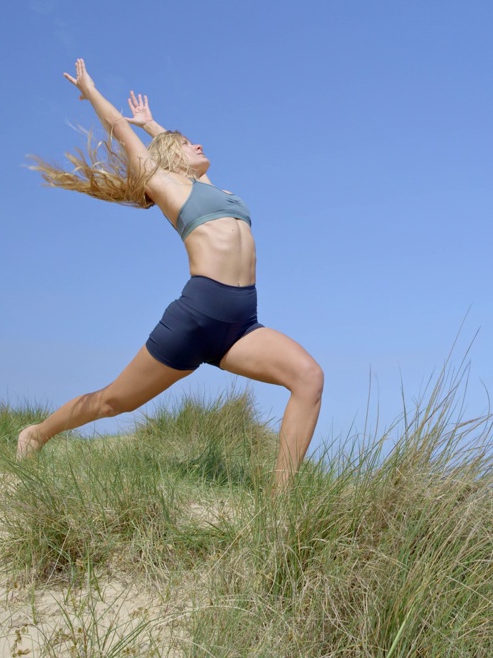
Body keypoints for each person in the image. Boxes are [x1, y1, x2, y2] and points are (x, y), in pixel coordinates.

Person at [18, 59, 322, 489]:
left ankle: (280, 505)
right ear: (172, 158)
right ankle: (36, 433)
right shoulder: (164, 184)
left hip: (241, 325)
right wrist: (92, 90)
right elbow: (118, 129)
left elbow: (170, 143)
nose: (199, 144)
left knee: (308, 378)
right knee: (113, 402)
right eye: (189, 144)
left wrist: (152, 121)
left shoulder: (214, 187)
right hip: (195, 318)